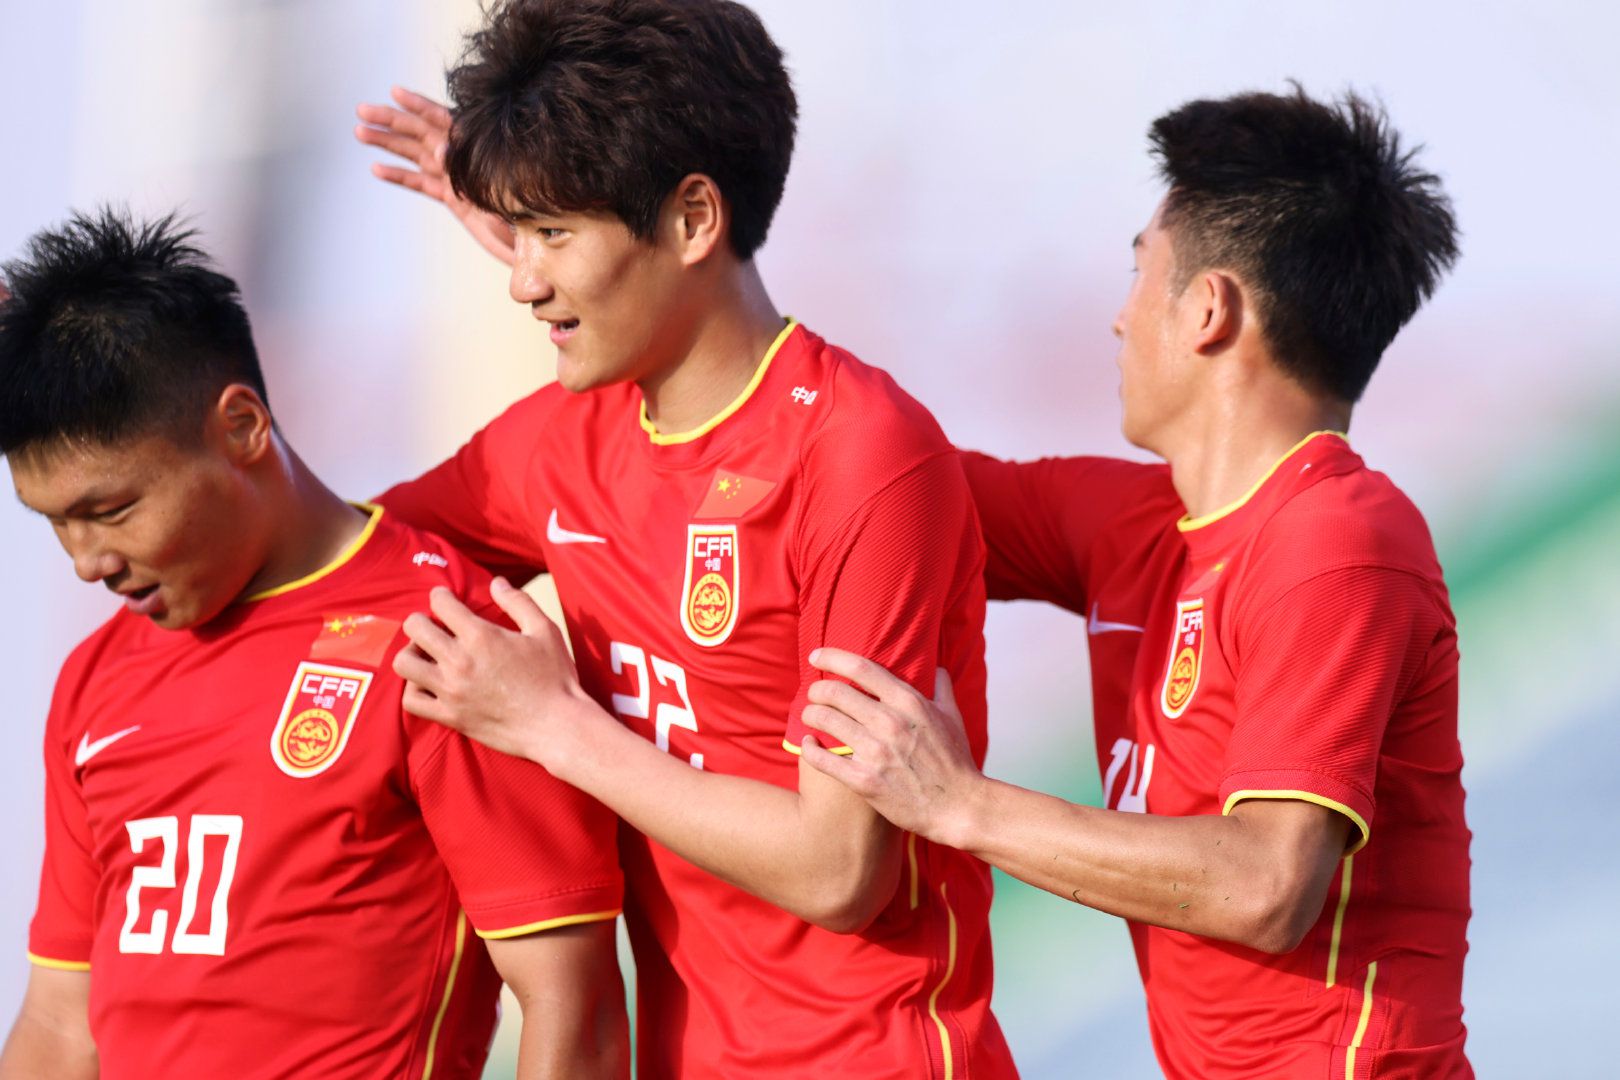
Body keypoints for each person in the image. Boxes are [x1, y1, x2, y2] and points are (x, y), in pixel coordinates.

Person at [355, 1, 1016, 1075]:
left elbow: (837, 867)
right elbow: (348, 564)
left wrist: (552, 725)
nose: (522, 280)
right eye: (516, 235)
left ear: (694, 218)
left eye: (552, 234)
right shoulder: (560, 442)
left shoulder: (858, 454)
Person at [799, 88, 1474, 1077]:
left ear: (1210, 309)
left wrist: (960, 805)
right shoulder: (1142, 525)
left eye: (1138, 270)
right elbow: (874, 475)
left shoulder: (1337, 543)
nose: (1119, 318)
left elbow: (1266, 883)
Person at [0, 209, 627, 1080]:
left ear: (242, 428)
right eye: (55, 524)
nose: (87, 562)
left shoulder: (448, 639)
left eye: (111, 511)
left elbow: (574, 1006)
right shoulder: (95, 678)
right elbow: (62, 1026)